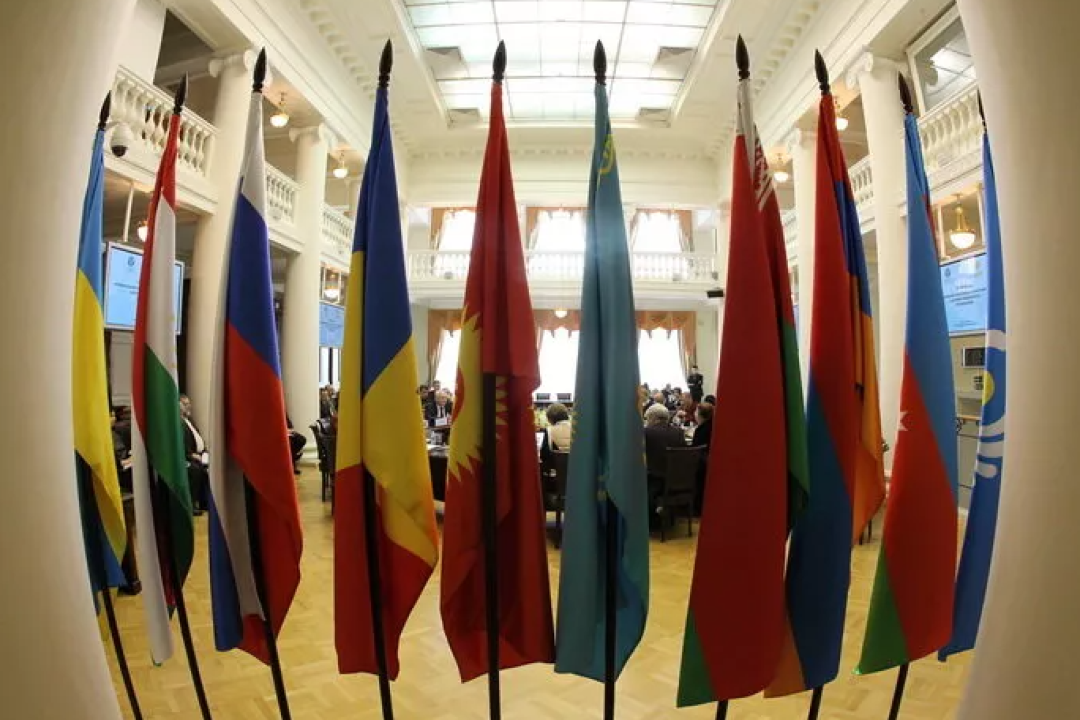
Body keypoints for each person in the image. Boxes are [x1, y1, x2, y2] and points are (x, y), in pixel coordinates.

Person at [643, 403, 684, 511]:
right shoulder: (679, 432)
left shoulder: (647, 432)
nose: (647, 422)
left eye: (647, 419)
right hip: (677, 480)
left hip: (654, 481)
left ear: (653, 418)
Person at [179, 394, 208, 516]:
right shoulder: (179, 423)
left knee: (208, 469)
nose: (189, 406)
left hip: (200, 454)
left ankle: (205, 502)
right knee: (196, 470)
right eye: (185, 404)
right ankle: (191, 504)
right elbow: (182, 446)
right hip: (187, 458)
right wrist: (192, 455)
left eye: (189, 403)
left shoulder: (190, 420)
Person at [539, 402, 573, 467]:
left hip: (555, 470)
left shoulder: (548, 431)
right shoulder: (577, 429)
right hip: (575, 469)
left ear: (550, 418)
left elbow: (543, 455)